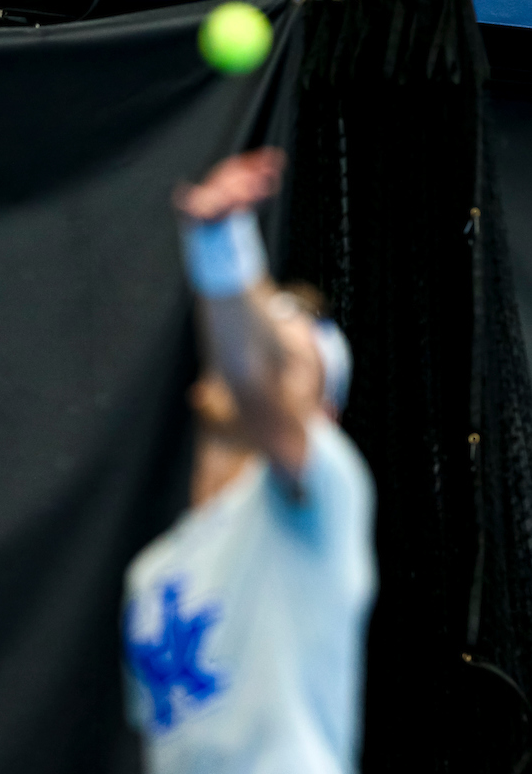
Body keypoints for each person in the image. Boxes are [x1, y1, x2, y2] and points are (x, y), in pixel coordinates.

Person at [121, 148, 376, 774]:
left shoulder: (327, 492)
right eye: (252, 342)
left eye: (285, 366)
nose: (251, 368)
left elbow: (249, 375)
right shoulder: (151, 577)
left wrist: (220, 242)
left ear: (320, 419)